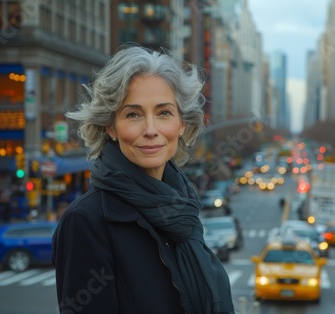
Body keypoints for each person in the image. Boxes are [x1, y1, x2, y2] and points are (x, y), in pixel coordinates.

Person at [52, 44, 234, 314]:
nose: (151, 130)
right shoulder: (86, 221)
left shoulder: (182, 207)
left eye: (164, 113)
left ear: (182, 124)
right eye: (133, 114)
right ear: (111, 126)